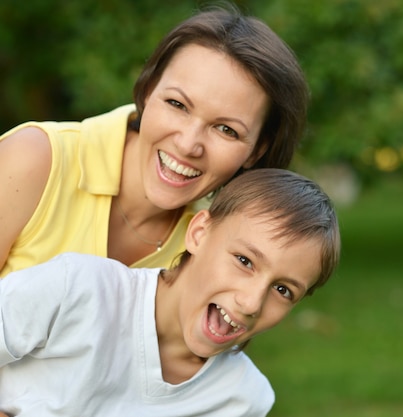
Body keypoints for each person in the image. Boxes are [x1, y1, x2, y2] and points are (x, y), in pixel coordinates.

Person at [0, 3, 309, 278]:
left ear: (257, 150)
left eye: (226, 129)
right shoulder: (34, 159)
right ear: (148, 90)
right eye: (178, 105)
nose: (189, 144)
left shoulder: (216, 243)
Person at [0, 168, 341, 417]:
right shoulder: (76, 289)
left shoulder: (241, 399)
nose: (251, 302)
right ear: (199, 234)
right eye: (244, 261)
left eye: (283, 289)